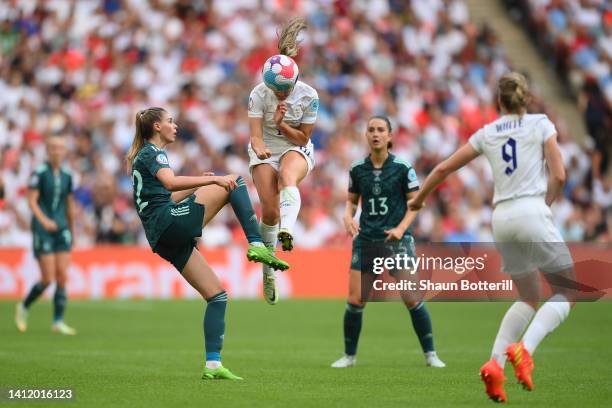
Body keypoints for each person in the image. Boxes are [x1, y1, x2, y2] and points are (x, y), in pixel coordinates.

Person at [409, 72, 575, 402]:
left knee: (528, 296)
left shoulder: (487, 132)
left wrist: (420, 197)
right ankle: (525, 350)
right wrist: (547, 204)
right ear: (526, 98)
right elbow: (559, 174)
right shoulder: (541, 124)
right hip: (531, 210)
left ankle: (495, 364)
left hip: (501, 218)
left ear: (498, 102)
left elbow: (443, 168)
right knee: (567, 290)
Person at [126, 107, 289, 380]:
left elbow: (166, 197)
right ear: (156, 127)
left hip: (161, 236)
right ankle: (257, 243)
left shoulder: (144, 156)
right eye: (169, 121)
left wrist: (198, 185)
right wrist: (212, 179)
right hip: (168, 224)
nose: (175, 125)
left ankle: (213, 365)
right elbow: (169, 183)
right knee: (234, 181)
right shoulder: (152, 152)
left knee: (217, 295)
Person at [330, 116, 446, 369]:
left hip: (398, 241)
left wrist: (401, 228)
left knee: (412, 298)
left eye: (381, 130)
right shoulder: (357, 168)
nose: (375, 134)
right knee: (355, 299)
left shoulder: (403, 168)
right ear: (366, 135)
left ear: (390, 136)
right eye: (371, 129)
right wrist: (348, 216)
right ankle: (349, 356)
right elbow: (351, 200)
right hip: (367, 240)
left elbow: (416, 203)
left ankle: (431, 355)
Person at [248, 17, 319, 304]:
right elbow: (254, 136)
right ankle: (269, 269)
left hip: (294, 146)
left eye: (285, 90)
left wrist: (281, 124)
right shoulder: (257, 94)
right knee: (269, 212)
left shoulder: (309, 96)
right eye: (276, 90)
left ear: (294, 82)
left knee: (288, 177)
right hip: (265, 149)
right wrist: (261, 148)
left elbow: (302, 139)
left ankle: (287, 229)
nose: (280, 94)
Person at [15, 134, 76, 335]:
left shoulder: (67, 175)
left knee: (62, 276)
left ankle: (58, 321)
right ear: (47, 151)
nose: (57, 151)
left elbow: (68, 204)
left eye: (60, 147)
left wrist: (72, 229)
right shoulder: (39, 173)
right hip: (43, 230)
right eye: (53, 148)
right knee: (47, 278)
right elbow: (31, 200)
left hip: (62, 229)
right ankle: (24, 305)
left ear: (64, 151)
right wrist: (44, 221)